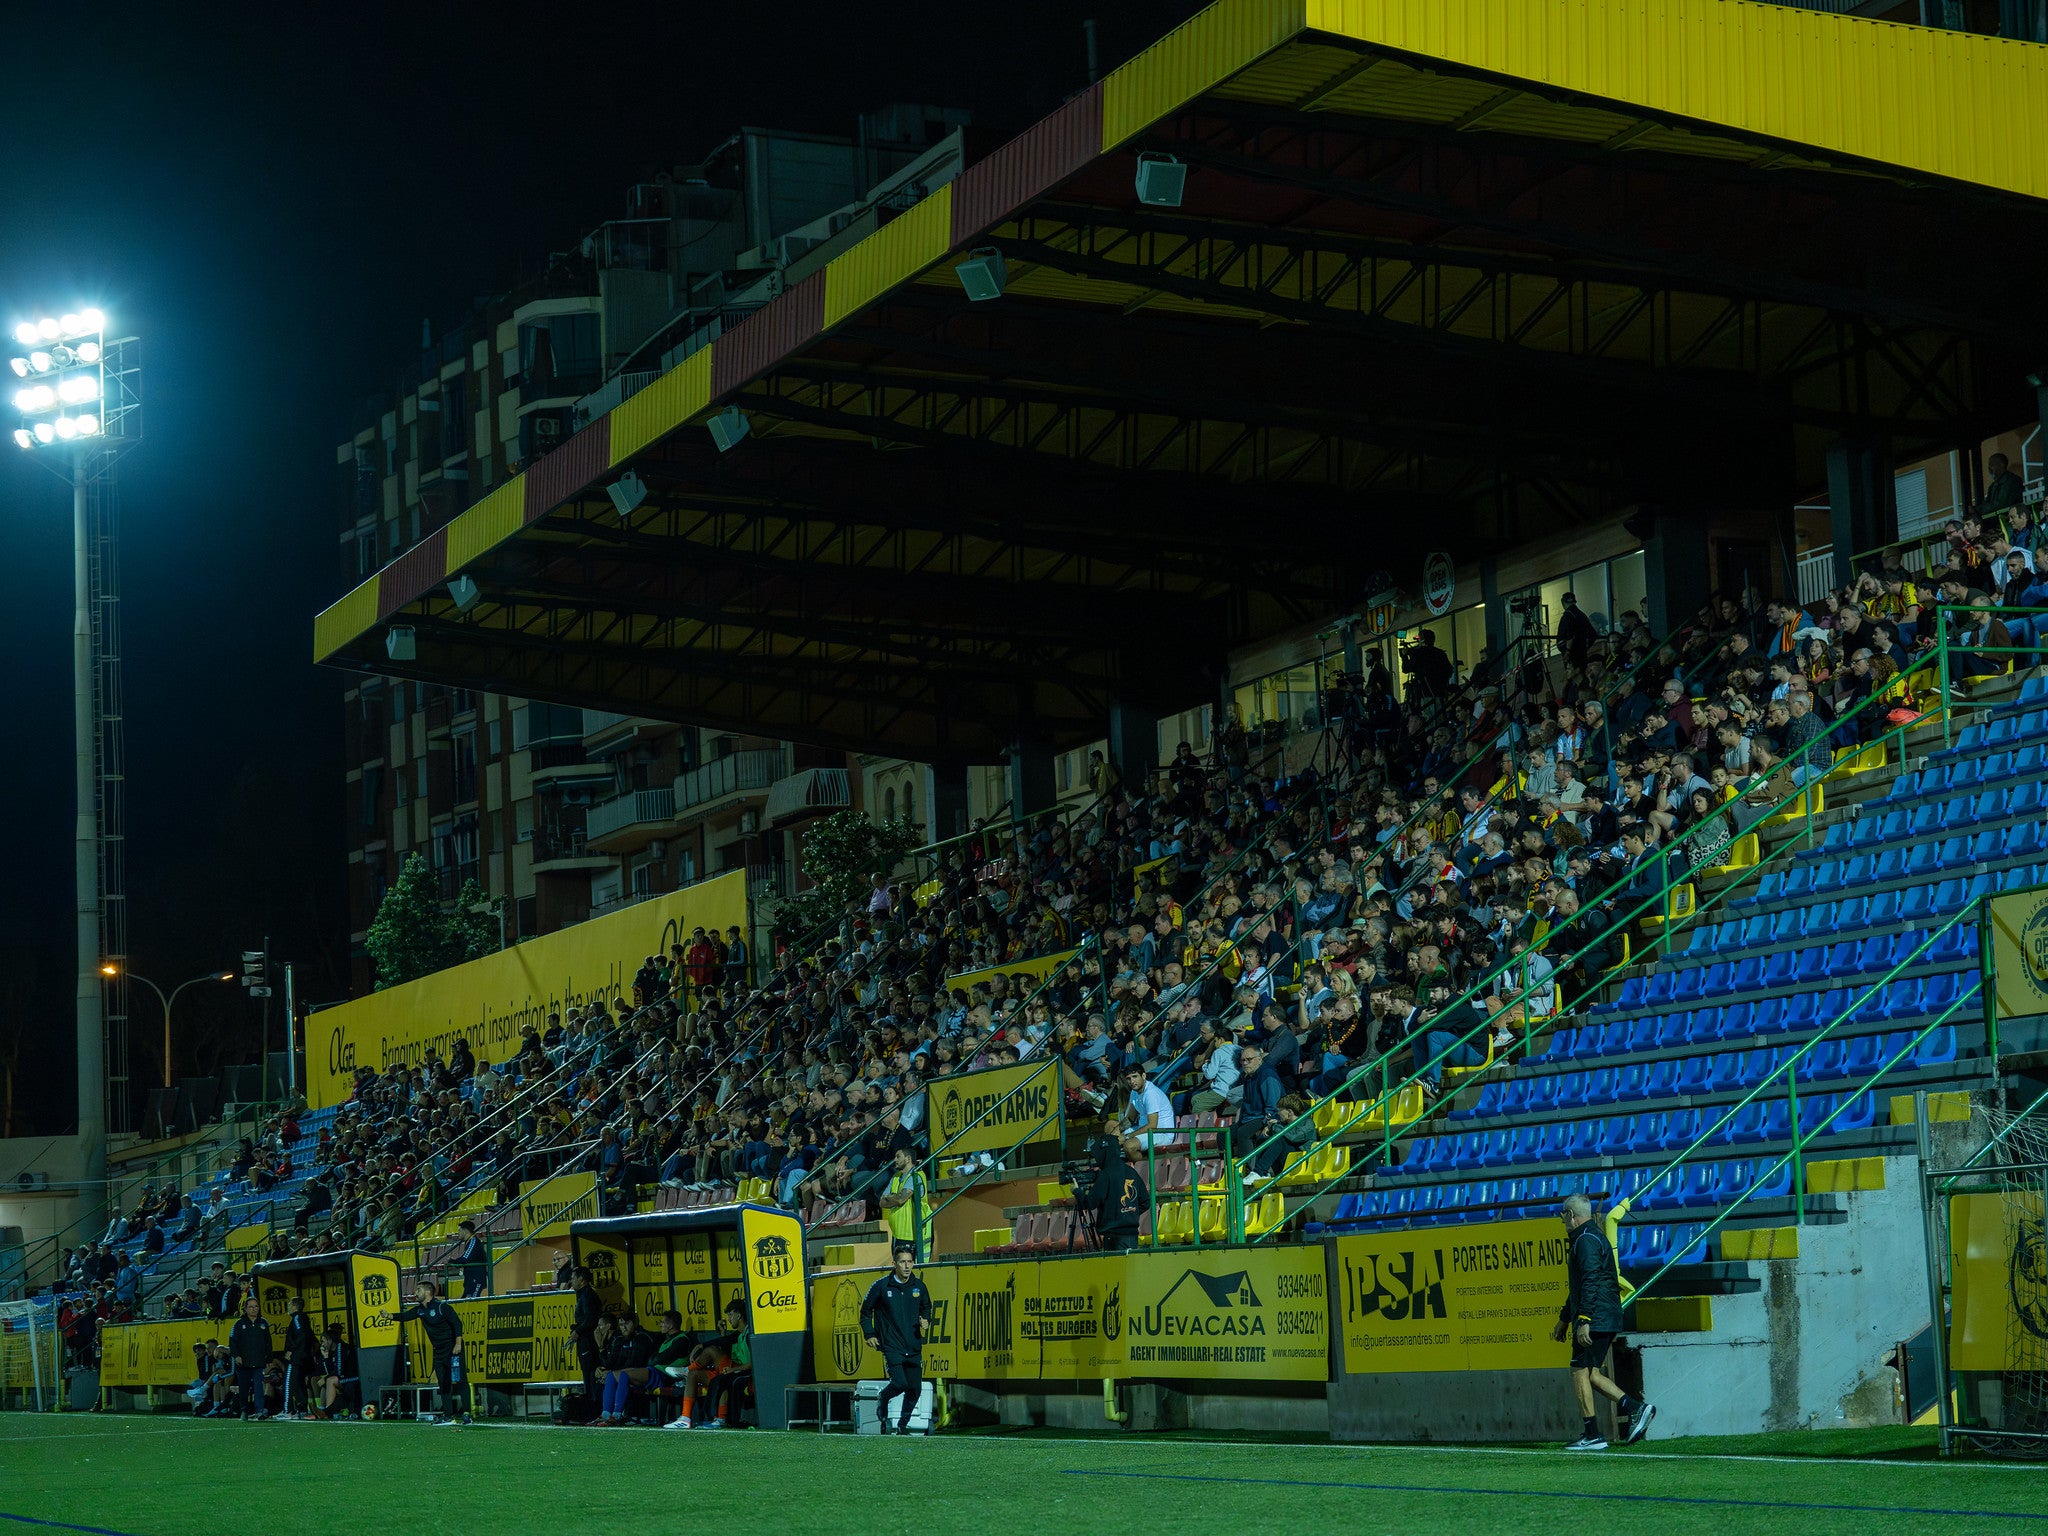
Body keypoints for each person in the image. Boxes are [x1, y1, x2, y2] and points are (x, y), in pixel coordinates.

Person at [1553, 1193, 1652, 1449]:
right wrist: (1565, 1319)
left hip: (1596, 1317)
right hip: (1604, 1315)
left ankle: (1592, 1435)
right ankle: (1636, 1409)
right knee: (1592, 1374)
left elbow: (1591, 1281)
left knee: (1578, 1371)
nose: (1562, 1218)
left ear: (1571, 1215)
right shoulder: (1589, 1237)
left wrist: (1583, 1319)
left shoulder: (1584, 1240)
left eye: (1563, 1213)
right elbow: (1579, 1286)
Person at [861, 1243, 933, 1436]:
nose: (907, 1266)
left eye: (910, 1262)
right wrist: (870, 1334)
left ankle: (902, 1425)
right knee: (900, 1383)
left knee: (915, 1389)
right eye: (902, 1262)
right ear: (894, 1263)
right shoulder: (882, 1286)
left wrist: (925, 1320)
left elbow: (927, 1307)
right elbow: (865, 1311)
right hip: (892, 1345)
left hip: (913, 1344)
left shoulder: (919, 1287)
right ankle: (883, 1397)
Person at [393, 1277, 470, 1426]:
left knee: (460, 1380)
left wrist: (458, 1343)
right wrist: (389, 1316)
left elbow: (457, 1323)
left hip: (452, 1347)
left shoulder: (442, 1307)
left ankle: (467, 1414)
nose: (415, 1293)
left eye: (418, 1289)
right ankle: (448, 1416)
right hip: (438, 1350)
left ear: (428, 1292)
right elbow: (405, 1316)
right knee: (443, 1382)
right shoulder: (420, 1310)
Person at [1087, 1136, 1153, 1252]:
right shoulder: (1131, 1171)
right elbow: (1146, 1202)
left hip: (1113, 1236)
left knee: (1116, 1269)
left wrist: (1077, 1191)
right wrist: (1130, 1213)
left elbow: (1090, 1203)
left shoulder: (1106, 1174)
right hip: (1132, 1236)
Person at [596, 1310, 656, 1426]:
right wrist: (603, 1369)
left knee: (622, 1375)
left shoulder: (642, 1337)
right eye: (621, 1325)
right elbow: (614, 1362)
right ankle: (606, 1414)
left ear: (634, 1323)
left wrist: (614, 1371)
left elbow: (637, 1362)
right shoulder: (620, 1339)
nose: (623, 1328)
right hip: (630, 1372)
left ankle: (617, 1415)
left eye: (626, 1324)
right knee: (610, 1376)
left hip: (648, 1373)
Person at [878, 1145, 932, 1263]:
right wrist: (895, 1198)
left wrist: (891, 1197)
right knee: (899, 1269)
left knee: (911, 1269)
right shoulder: (896, 1177)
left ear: (908, 1159)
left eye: (898, 1157)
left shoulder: (916, 1175)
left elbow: (900, 1200)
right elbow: (881, 1202)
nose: (895, 1160)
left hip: (913, 1233)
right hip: (898, 1233)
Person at [227, 1294, 273, 1421]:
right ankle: (244, 1410)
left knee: (259, 1386)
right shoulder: (239, 1324)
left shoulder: (263, 1323)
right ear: (245, 1309)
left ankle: (259, 1411)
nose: (254, 1309)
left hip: (258, 1362)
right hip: (243, 1363)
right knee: (244, 1388)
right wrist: (236, 1355)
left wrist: (269, 1358)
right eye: (251, 1307)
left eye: (256, 1306)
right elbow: (232, 1341)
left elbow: (268, 1342)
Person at [281, 1295, 320, 1420]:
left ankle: (287, 1410)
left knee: (288, 1382)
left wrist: (291, 1350)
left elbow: (300, 1335)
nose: (288, 1306)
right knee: (299, 1383)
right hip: (303, 1357)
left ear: (294, 1306)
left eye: (289, 1304)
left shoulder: (297, 1317)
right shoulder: (304, 1318)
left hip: (296, 1357)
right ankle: (302, 1411)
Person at [570, 1264, 603, 1399]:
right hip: (586, 1338)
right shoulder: (584, 1294)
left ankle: (593, 1403)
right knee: (588, 1372)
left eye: (573, 1278)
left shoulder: (588, 1295)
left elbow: (590, 1319)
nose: (571, 1281)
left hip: (588, 1341)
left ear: (582, 1279)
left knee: (589, 1372)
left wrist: (578, 1331)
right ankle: (591, 1402)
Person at [454, 1219, 490, 1298]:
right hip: (471, 1278)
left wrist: (452, 1261)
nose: (458, 1233)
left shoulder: (473, 1241)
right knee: (464, 1301)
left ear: (465, 1231)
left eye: (459, 1230)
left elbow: (465, 1258)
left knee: (473, 1301)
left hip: (476, 1278)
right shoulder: (469, 1241)